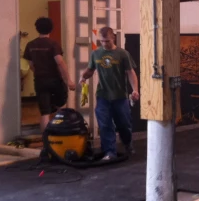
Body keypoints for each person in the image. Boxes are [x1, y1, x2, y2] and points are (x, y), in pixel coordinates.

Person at [80, 26, 139, 161]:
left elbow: (131, 73)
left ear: (113, 37)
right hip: (103, 95)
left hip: (120, 96)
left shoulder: (123, 54)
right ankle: (109, 152)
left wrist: (135, 90)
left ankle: (128, 144)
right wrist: (83, 76)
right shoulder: (95, 54)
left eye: (107, 41)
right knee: (105, 124)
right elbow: (90, 70)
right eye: (102, 41)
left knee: (123, 124)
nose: (104, 44)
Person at [23, 17, 76, 132]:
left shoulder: (30, 44)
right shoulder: (53, 44)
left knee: (45, 113)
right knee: (60, 107)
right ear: (51, 29)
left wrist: (39, 73)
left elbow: (31, 65)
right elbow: (60, 62)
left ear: (37, 28)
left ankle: (46, 141)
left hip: (40, 80)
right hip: (55, 80)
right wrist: (69, 81)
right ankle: (59, 135)